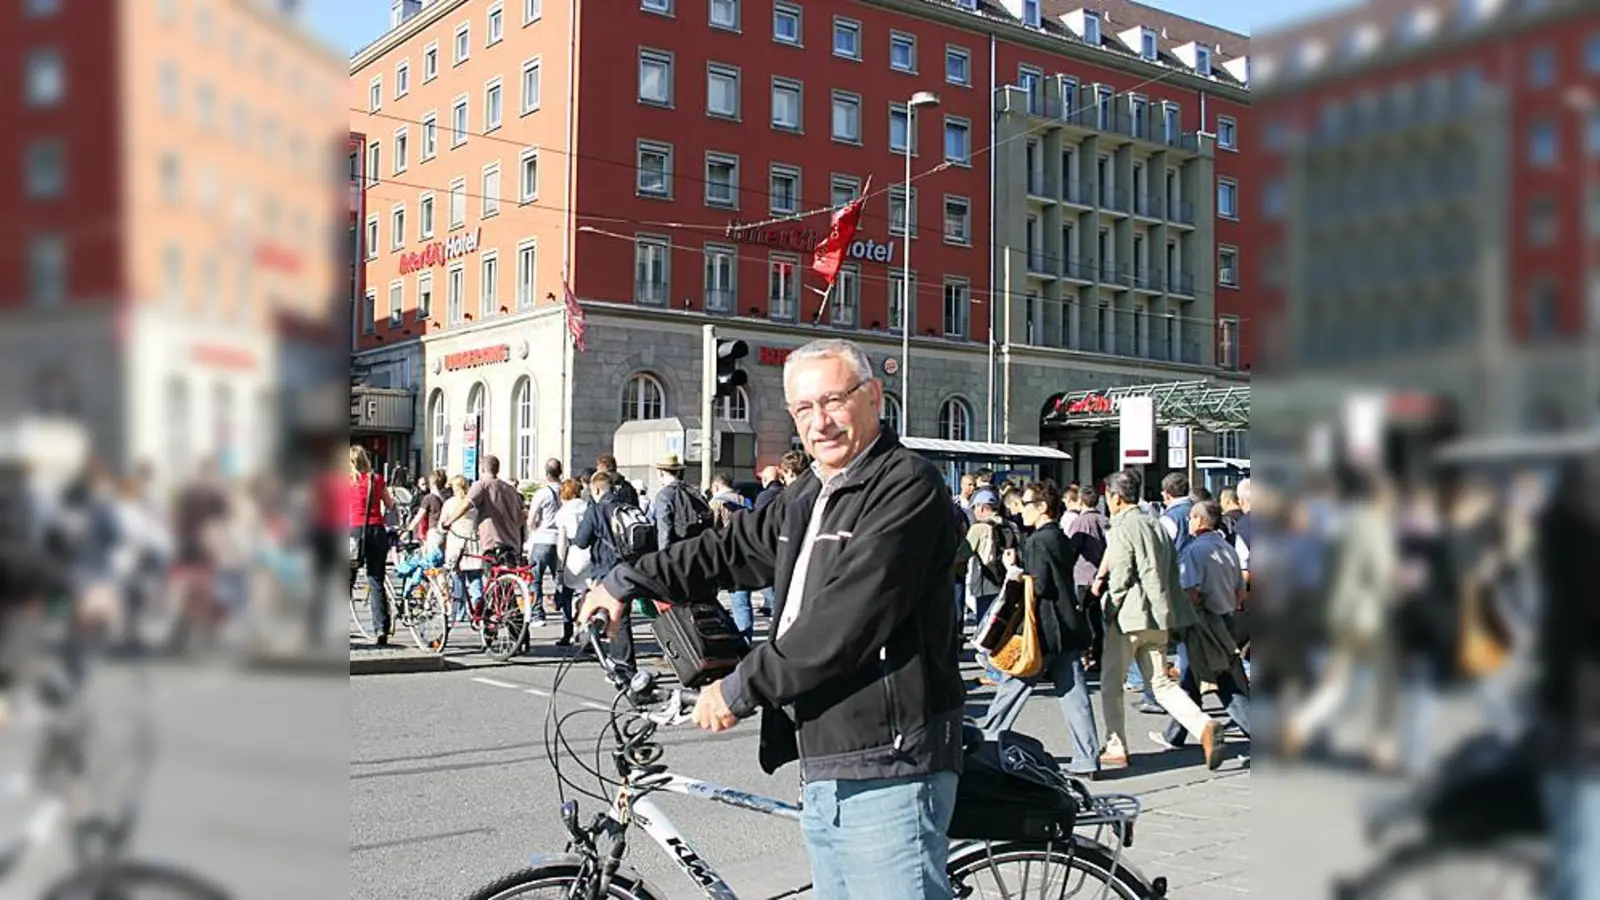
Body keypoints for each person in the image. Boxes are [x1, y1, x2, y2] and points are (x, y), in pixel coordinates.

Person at [578, 338, 966, 900]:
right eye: (803, 409)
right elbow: (728, 550)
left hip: (892, 760)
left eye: (833, 401)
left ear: (874, 397)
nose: (820, 422)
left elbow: (844, 621)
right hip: (828, 754)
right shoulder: (811, 490)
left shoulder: (905, 485)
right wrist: (625, 580)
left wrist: (739, 689)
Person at [1092, 468, 1220, 769]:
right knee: (1161, 683)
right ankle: (1203, 725)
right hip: (1157, 615)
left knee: (1111, 683)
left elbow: (1121, 574)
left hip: (1128, 617)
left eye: (1107, 495)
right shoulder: (1155, 522)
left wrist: (1109, 607)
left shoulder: (1123, 526)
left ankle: (1116, 745)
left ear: (1115, 497)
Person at [977, 481, 1100, 776]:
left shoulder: (1037, 541)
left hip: (1041, 631)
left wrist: (1013, 569)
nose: (1022, 511)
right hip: (1067, 627)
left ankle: (984, 746)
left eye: (1027, 504)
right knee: (1074, 697)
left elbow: (1038, 585)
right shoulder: (1060, 536)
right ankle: (1087, 758)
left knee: (1012, 688)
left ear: (1043, 507)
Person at [349, 446, 398, 644]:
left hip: (353, 533)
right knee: (376, 580)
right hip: (377, 531)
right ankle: (380, 628)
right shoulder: (376, 480)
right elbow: (390, 504)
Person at [551, 478, 591, 646]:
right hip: (590, 553)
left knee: (566, 593)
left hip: (573, 553)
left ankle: (567, 631)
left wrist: (560, 565)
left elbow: (562, 542)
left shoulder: (563, 512)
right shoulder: (588, 507)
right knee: (588, 594)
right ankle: (587, 631)